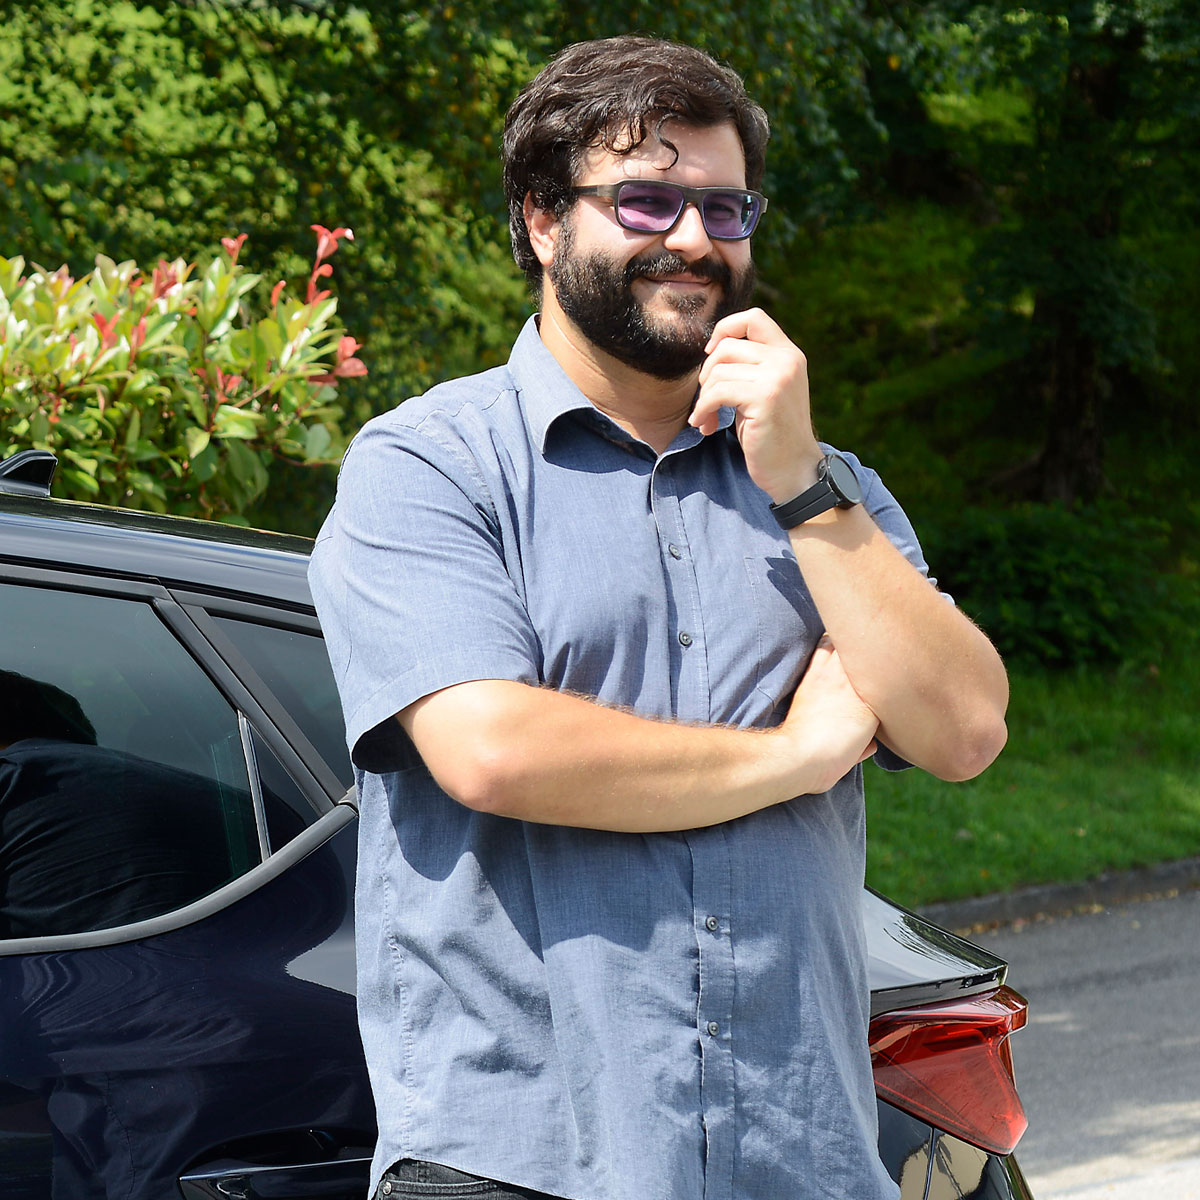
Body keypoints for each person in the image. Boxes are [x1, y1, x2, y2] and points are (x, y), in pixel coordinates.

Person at [310, 35, 1008, 1200]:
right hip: (525, 1161)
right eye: (647, 201)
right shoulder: (428, 468)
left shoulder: (831, 487)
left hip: (802, 1155)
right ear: (543, 220)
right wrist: (796, 756)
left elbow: (964, 731)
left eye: (725, 208)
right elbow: (495, 750)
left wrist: (800, 484)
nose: (694, 239)